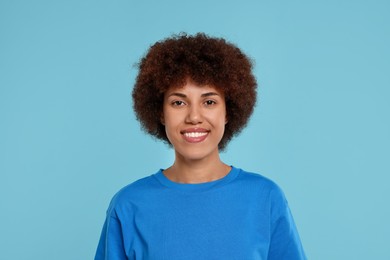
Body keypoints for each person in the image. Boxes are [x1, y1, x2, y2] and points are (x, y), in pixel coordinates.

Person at [95, 33, 306, 260]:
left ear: (228, 111)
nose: (194, 116)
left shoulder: (265, 198)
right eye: (178, 102)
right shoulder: (128, 205)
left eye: (209, 102)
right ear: (160, 113)